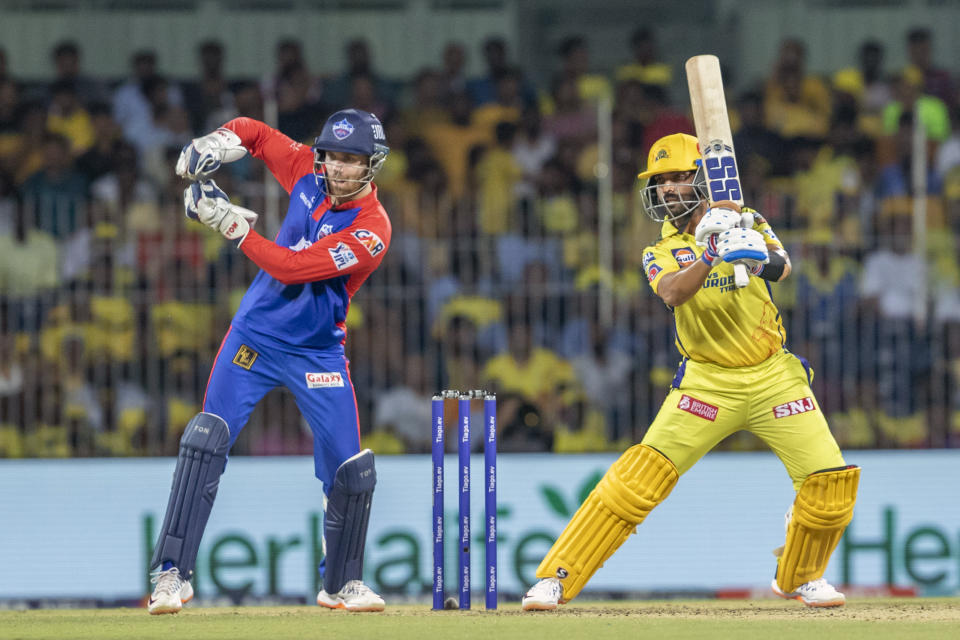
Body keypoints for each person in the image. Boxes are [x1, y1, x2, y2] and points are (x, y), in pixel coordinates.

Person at [521, 133, 859, 611]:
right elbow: (674, 295)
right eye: (660, 183)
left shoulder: (749, 218)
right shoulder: (658, 249)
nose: (668, 190)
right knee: (637, 480)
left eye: (679, 178)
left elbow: (785, 268)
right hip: (707, 383)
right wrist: (712, 251)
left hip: (773, 376)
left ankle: (799, 577)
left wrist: (751, 253)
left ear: (703, 180)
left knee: (829, 486)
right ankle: (557, 578)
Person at [146, 108, 391, 614]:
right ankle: (172, 574)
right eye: (333, 157)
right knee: (205, 441)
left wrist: (235, 228)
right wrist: (214, 142)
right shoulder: (306, 170)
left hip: (317, 352)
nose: (339, 168)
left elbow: (294, 268)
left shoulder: (372, 229)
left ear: (371, 165)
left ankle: (341, 583)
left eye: (352, 159)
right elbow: (254, 133)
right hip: (254, 337)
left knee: (348, 469)